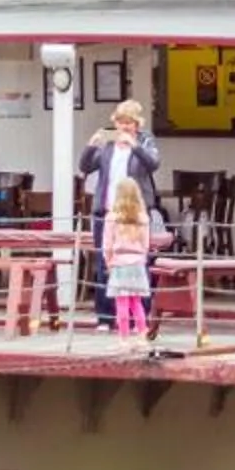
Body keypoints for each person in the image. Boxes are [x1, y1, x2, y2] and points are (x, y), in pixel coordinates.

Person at [76, 98, 161, 328]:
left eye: (129, 122)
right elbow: (85, 167)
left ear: (137, 124)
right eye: (121, 122)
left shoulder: (145, 140)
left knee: (138, 262)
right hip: (106, 211)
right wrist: (91, 146)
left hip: (133, 215)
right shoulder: (108, 144)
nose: (124, 127)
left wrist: (135, 146)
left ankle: (138, 317)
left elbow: (153, 163)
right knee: (105, 263)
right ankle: (106, 317)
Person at [102, 181, 157, 346]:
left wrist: (108, 262)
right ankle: (142, 333)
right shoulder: (143, 218)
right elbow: (146, 244)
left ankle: (124, 338)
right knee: (136, 302)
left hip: (119, 262)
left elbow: (107, 244)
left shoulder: (112, 218)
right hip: (137, 263)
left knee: (121, 302)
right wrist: (142, 259)